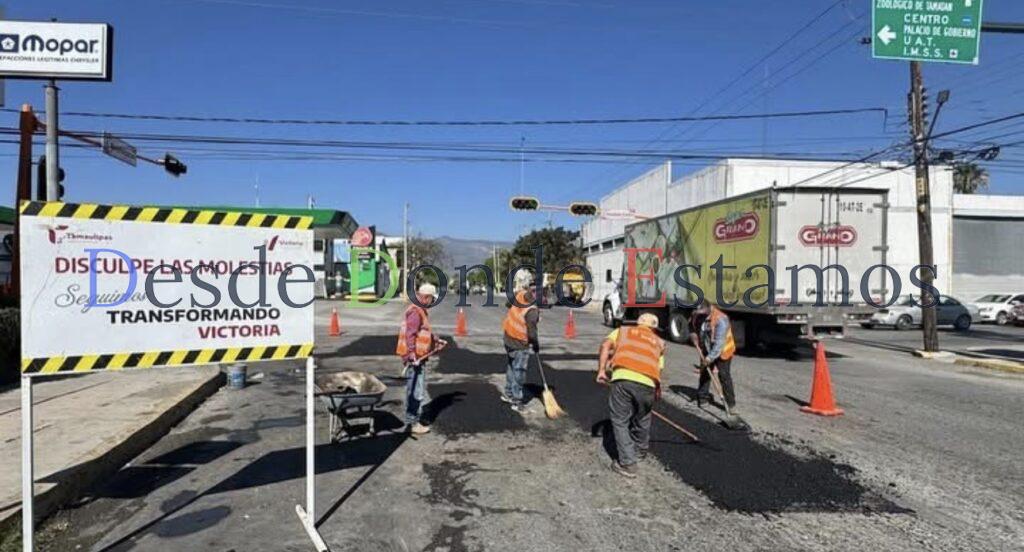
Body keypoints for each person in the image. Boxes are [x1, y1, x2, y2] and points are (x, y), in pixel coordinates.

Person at [597, 313, 665, 478]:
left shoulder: (623, 331)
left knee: (620, 421)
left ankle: (628, 463)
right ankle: (640, 451)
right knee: (643, 417)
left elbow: (606, 345)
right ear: (654, 328)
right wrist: (656, 389)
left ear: (638, 323)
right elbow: (659, 368)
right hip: (648, 383)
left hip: (624, 380)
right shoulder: (659, 342)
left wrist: (601, 370)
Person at [396, 283, 445, 435]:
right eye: (431, 299)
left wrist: (436, 340)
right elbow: (410, 334)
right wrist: (412, 355)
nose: (432, 302)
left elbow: (422, 332)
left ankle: (413, 418)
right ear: (425, 297)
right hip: (415, 358)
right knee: (415, 390)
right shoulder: (416, 312)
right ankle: (412, 421)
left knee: (416, 388)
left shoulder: (420, 311)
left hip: (419, 356)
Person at [689, 301, 737, 410]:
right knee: (705, 373)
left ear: (708, 309)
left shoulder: (721, 319)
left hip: (723, 351)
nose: (698, 315)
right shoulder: (697, 314)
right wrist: (692, 334)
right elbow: (691, 325)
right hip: (707, 347)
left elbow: (719, 344)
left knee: (724, 376)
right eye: (697, 313)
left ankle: (730, 404)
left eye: (701, 313)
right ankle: (702, 398)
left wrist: (709, 358)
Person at [502, 276, 540, 413]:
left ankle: (508, 393)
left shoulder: (520, 294)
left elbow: (507, 304)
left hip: (508, 337)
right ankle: (517, 401)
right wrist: (535, 345)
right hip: (519, 342)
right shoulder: (532, 311)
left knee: (511, 366)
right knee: (519, 371)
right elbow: (532, 334)